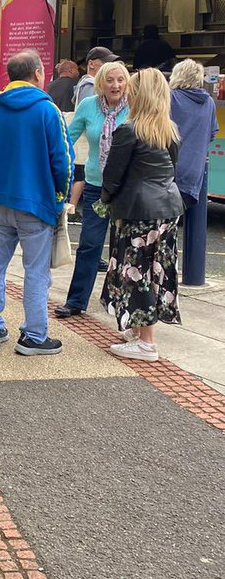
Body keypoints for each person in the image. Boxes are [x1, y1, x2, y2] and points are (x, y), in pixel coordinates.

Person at [0, 49, 73, 356]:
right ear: (38, 74)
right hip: (35, 202)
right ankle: (34, 335)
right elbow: (63, 162)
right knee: (36, 271)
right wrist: (60, 198)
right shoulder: (47, 110)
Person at [100, 67, 183, 362]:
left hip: (137, 212)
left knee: (137, 273)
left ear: (139, 95)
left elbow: (112, 175)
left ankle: (146, 343)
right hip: (167, 210)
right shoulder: (169, 130)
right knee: (157, 271)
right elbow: (171, 168)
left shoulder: (129, 130)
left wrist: (105, 200)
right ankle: (138, 332)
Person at [54, 61, 130, 319]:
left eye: (120, 80)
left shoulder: (134, 107)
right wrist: (56, 167)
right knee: (89, 244)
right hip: (96, 186)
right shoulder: (88, 106)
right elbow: (66, 139)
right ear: (100, 82)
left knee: (125, 248)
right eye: (109, 80)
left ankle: (123, 304)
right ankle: (76, 301)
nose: (115, 85)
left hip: (126, 188)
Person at [70, 46, 120, 212]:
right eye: (104, 63)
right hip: (95, 176)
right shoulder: (90, 89)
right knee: (92, 235)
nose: (115, 84)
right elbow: (70, 135)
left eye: (120, 80)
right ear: (91, 64)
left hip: (122, 183)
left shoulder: (130, 106)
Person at [168, 58, 218, 207]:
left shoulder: (170, 97)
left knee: (159, 226)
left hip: (169, 173)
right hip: (194, 174)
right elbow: (212, 134)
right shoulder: (209, 102)